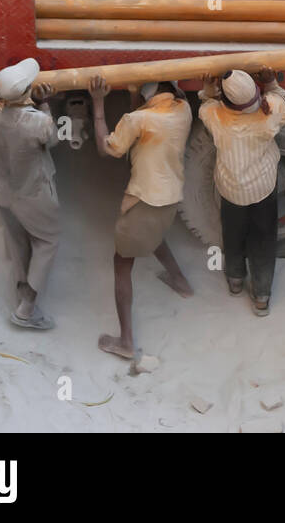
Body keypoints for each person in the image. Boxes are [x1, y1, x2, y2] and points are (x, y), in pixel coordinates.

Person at [89, 76, 195, 360]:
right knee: (154, 235)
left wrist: (98, 103)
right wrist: (136, 94)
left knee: (121, 264)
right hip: (171, 197)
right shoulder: (183, 109)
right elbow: (143, 114)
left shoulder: (137, 120)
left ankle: (125, 342)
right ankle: (181, 283)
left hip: (145, 201)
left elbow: (107, 148)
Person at [197, 67, 285, 316]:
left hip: (230, 190)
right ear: (256, 93)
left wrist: (209, 90)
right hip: (262, 188)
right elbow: (281, 101)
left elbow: (205, 104)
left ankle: (235, 280)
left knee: (232, 232)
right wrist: (271, 83)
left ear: (225, 101)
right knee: (263, 238)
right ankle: (261, 296)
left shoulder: (217, 118)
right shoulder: (269, 113)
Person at [0, 59, 61, 330]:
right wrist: (45, 103)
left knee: (18, 243)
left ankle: (20, 291)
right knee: (46, 242)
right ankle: (26, 310)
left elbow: (5, 107)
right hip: (31, 193)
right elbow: (53, 141)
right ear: (27, 92)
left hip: (1, 191)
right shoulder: (38, 122)